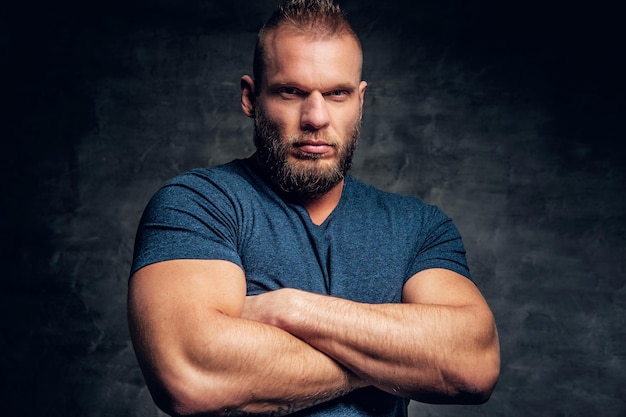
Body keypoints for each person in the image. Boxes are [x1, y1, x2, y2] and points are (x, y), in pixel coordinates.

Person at [127, 0, 500, 416]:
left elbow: (473, 364)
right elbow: (190, 376)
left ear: (359, 101)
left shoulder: (419, 227)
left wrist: (287, 310)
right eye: (292, 92)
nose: (316, 117)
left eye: (337, 93)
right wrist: (401, 359)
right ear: (251, 97)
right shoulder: (197, 205)